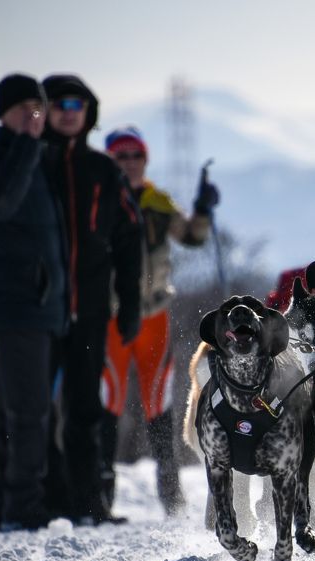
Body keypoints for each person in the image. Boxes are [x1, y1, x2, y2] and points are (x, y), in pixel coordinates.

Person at [98, 125, 218, 517]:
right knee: (110, 400)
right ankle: (101, 496)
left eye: (136, 155)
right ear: (110, 160)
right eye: (121, 156)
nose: (129, 162)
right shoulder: (100, 198)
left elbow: (192, 237)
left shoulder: (156, 200)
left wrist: (203, 209)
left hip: (154, 314)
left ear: (145, 159)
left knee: (158, 400)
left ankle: (172, 495)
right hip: (113, 315)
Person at [42, 74, 143, 525]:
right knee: (30, 409)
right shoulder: (30, 162)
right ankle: (41, 499)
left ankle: (88, 503)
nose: (68, 112)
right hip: (36, 311)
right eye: (59, 103)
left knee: (85, 407)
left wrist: (130, 302)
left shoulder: (103, 170)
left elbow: (129, 237)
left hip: (90, 308)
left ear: (88, 113)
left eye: (76, 104)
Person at [0, 74, 68, 531]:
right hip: (16, 306)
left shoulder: (37, 159)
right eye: (24, 109)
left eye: (37, 109)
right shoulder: (6, 158)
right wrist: (24, 144)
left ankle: (1, 503)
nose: (34, 117)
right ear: (3, 114)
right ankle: (23, 507)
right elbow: (1, 204)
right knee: (29, 413)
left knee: (11, 409)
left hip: (41, 308)